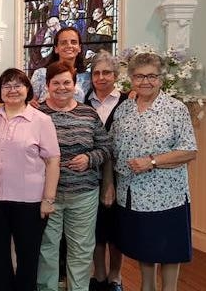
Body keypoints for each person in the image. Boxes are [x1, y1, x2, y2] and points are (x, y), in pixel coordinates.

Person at [110, 52, 198, 291]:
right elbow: (113, 149)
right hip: (133, 196)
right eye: (139, 76)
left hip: (168, 196)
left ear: (160, 79)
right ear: (131, 79)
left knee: (170, 252)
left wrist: (152, 161)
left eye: (151, 76)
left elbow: (189, 151)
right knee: (144, 250)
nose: (145, 81)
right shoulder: (123, 110)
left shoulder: (174, 109)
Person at [0, 68, 60, 291]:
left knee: (28, 258)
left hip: (29, 201)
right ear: (0, 91)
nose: (12, 90)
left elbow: (53, 160)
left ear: (27, 89)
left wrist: (48, 199)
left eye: (18, 85)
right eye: (7, 85)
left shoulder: (41, 120)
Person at [36, 62, 112, 291]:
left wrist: (90, 158)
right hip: (47, 196)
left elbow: (107, 147)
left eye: (66, 82)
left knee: (81, 249)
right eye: (56, 83)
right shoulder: (37, 114)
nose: (61, 87)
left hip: (84, 194)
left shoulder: (88, 113)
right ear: (47, 85)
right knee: (47, 249)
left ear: (74, 84)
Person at [84, 50, 129, 291]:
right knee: (96, 227)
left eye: (107, 73)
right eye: (96, 73)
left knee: (116, 228)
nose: (101, 77)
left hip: (121, 175)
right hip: (91, 172)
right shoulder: (84, 103)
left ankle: (115, 276)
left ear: (116, 75)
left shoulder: (127, 102)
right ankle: (98, 273)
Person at [31, 27, 92, 104]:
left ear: (79, 48)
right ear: (56, 49)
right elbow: (30, 104)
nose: (69, 46)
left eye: (73, 42)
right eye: (63, 43)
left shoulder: (87, 78)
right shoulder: (41, 74)